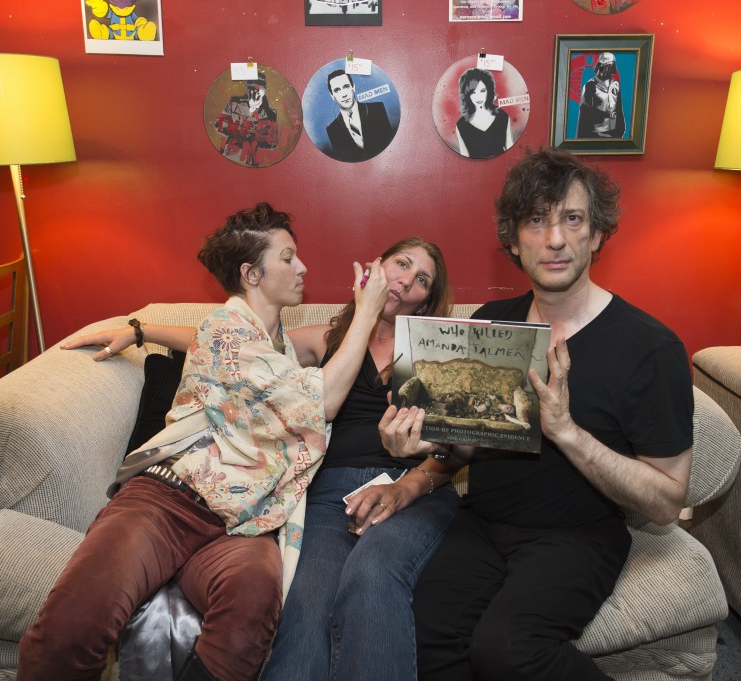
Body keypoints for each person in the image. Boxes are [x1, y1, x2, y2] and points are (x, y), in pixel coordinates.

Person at [18, 203, 388, 681]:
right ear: (251, 274)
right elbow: (324, 401)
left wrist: (140, 329)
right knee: (73, 624)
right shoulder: (226, 331)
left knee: (251, 608)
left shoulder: (268, 342)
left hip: (245, 522)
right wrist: (367, 309)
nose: (303, 268)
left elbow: (225, 353)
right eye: (289, 258)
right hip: (170, 500)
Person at [66, 237, 461, 681]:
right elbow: (233, 349)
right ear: (376, 267)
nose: (406, 280)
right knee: (304, 609)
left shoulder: (437, 350)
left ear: (426, 299)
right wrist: (142, 330)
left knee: (371, 578)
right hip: (332, 495)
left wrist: (408, 484)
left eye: (421, 279)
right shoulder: (327, 339)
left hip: (408, 487)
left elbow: (457, 451)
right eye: (402, 264)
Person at [382, 148, 694, 680]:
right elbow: (467, 447)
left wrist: (567, 433)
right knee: (425, 632)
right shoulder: (490, 324)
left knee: (507, 647)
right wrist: (423, 439)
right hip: (482, 523)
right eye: (536, 221)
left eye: (572, 219)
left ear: (596, 235)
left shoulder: (650, 346)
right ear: (512, 239)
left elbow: (666, 501)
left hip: (578, 535)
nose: (554, 240)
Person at [324, 69, 396, 162]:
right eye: (337, 90)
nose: (344, 94)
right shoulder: (332, 130)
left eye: (346, 86)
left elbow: (390, 147)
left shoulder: (378, 109)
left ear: (353, 87)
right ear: (332, 95)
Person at [216, 72, 279, 167]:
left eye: (259, 89)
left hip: (251, 161)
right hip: (228, 155)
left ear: (264, 90)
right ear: (247, 89)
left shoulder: (271, 113)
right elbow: (217, 124)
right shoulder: (234, 103)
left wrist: (259, 135)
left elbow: (272, 144)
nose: (255, 91)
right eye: (252, 88)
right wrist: (238, 128)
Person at [455, 68, 514, 160]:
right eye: (473, 92)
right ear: (467, 95)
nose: (479, 97)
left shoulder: (502, 116)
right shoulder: (461, 125)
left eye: (482, 91)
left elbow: (510, 151)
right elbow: (465, 158)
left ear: (489, 91)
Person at [576, 52, 625, 139]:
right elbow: (584, 115)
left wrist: (621, 130)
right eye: (603, 66)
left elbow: (619, 109)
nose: (606, 70)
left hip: (614, 134)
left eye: (610, 66)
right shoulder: (590, 86)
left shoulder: (616, 85)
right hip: (596, 134)